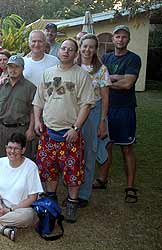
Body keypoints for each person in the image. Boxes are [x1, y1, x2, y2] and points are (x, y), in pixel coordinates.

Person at [33, 38, 95, 223]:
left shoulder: (81, 76)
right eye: (63, 48)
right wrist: (37, 120)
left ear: (75, 54)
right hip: (48, 132)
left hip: (70, 133)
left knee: (72, 170)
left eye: (70, 49)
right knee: (48, 168)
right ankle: (51, 200)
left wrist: (76, 128)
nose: (66, 51)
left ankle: (72, 203)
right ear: (58, 52)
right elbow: (39, 101)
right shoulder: (48, 73)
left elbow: (86, 104)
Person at [96, 25, 141, 203]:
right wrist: (116, 78)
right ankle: (102, 179)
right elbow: (98, 78)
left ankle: (130, 186)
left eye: (123, 37)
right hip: (107, 108)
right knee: (107, 145)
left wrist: (108, 81)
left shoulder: (133, 59)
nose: (120, 39)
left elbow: (127, 84)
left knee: (127, 148)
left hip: (125, 109)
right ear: (113, 39)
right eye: (117, 36)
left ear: (128, 39)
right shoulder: (106, 57)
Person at [74, 34, 111, 207]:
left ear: (96, 49)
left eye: (91, 47)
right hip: (74, 111)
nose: (87, 50)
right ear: (79, 47)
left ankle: (83, 193)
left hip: (93, 113)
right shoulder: (73, 66)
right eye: (84, 46)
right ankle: (72, 188)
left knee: (89, 153)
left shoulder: (101, 70)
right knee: (73, 153)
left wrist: (102, 121)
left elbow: (105, 98)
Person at [0, 55, 36, 159]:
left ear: (22, 68)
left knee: (22, 160)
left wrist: (31, 129)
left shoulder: (30, 88)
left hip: (20, 129)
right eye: (10, 67)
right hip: (3, 130)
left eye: (17, 67)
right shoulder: (1, 86)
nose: (13, 70)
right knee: (3, 159)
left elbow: (33, 111)